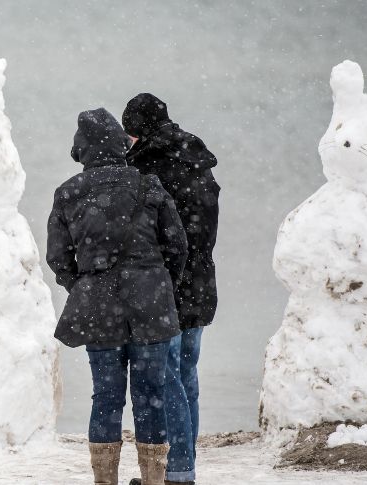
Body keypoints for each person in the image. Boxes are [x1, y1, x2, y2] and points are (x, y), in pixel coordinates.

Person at [47, 108, 188, 485]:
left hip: (99, 308)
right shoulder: (150, 187)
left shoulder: (68, 193)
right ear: (120, 146)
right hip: (151, 303)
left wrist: (83, 284)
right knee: (150, 396)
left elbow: (58, 258)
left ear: (83, 150)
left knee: (106, 397)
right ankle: (155, 480)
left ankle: (104, 481)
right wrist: (157, 282)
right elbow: (178, 247)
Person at [122, 93, 220, 485]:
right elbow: (203, 228)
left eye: (130, 134)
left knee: (167, 380)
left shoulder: (148, 167)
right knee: (187, 376)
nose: (128, 142)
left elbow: (153, 235)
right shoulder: (197, 159)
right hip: (201, 281)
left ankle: (178, 473)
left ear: (138, 131)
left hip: (168, 285)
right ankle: (185, 465)